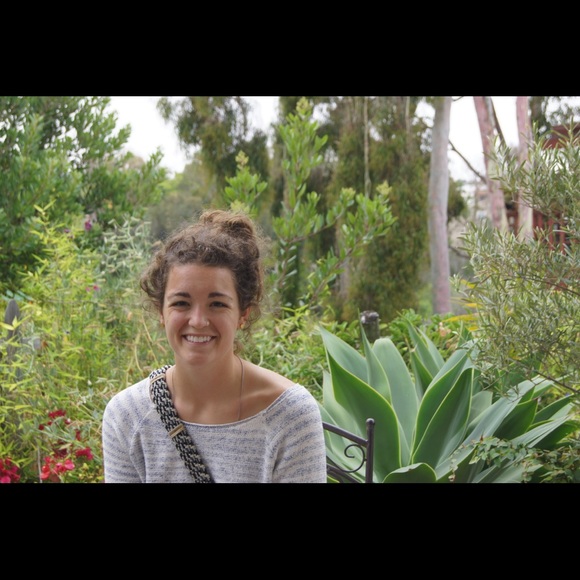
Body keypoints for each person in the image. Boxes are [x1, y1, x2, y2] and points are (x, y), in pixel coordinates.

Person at [102, 208, 328, 483]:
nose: (198, 321)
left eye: (217, 304)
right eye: (181, 303)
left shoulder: (289, 415)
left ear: (243, 313)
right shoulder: (128, 415)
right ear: (161, 312)